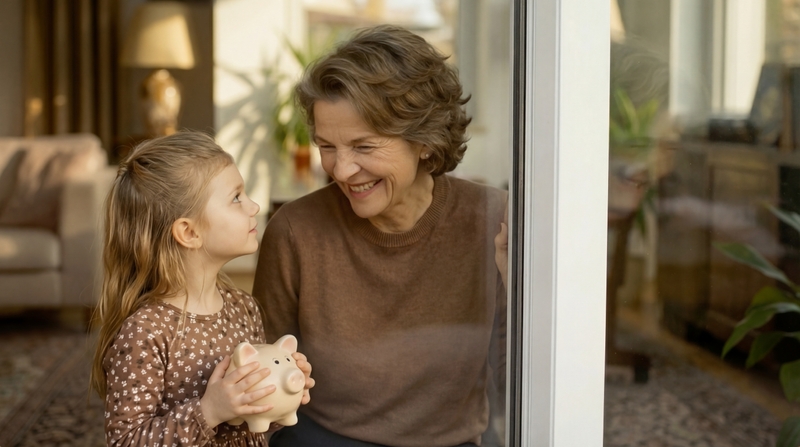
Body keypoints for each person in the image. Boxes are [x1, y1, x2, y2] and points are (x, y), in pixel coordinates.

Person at [253, 25, 507, 447]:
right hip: (323, 438)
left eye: (364, 147)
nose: (341, 170)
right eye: (326, 146)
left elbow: (524, 372)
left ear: (424, 141)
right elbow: (267, 376)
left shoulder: (493, 220)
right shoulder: (295, 231)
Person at [90, 132, 314, 446]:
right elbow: (125, 441)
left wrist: (278, 394)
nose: (254, 206)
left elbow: (252, 428)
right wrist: (210, 410)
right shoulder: (146, 332)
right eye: (236, 197)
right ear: (189, 232)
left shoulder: (243, 307)